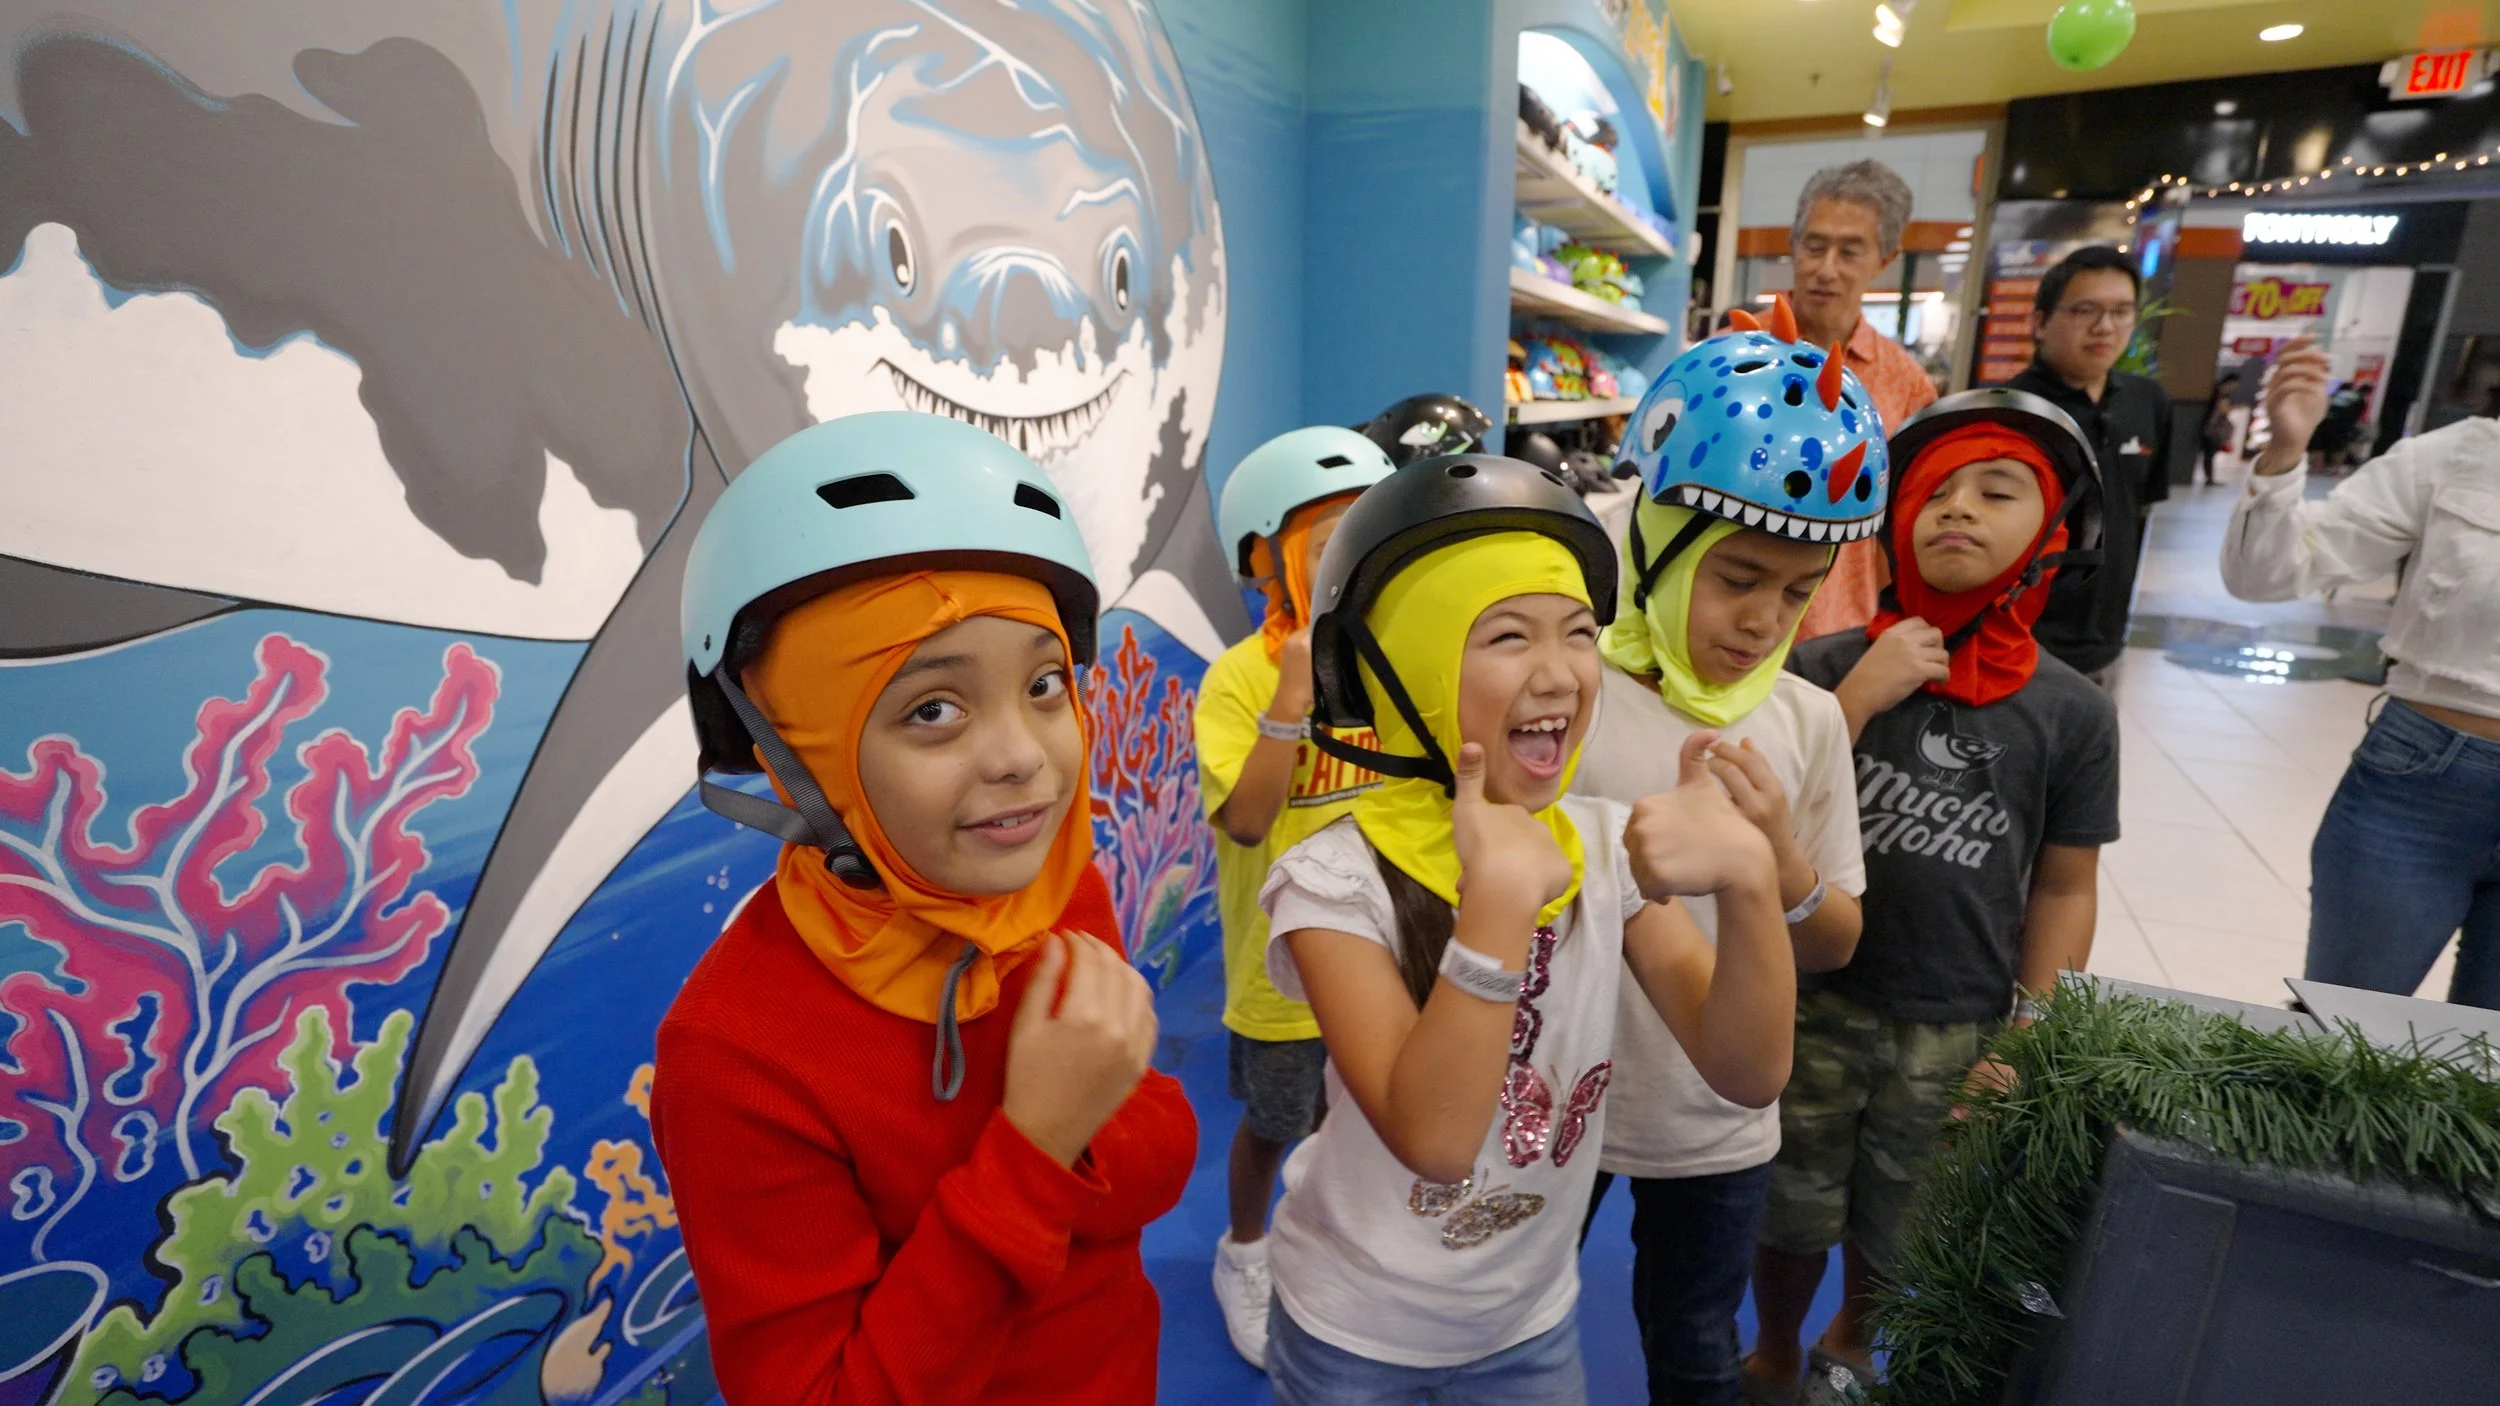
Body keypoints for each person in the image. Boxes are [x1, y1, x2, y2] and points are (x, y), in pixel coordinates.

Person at [651, 413, 1197, 1403]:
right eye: (932, 710)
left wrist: (1087, 1122)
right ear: (787, 751)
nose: (1022, 755)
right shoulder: (735, 1055)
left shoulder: (1046, 888)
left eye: (1045, 684)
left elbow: (1150, 1172)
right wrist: (1034, 1150)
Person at [1257, 454, 1798, 1403]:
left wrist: (1754, 882)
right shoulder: (1332, 881)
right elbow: (1434, 1140)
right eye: (1507, 635)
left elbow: (1745, 1073)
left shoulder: (1599, 846)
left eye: (1581, 633)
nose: (1561, 673)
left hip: (1530, 1325)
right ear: (1406, 667)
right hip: (1356, 1329)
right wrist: (1498, 909)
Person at [1747, 389, 2119, 1402]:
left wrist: (2029, 1030)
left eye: (1996, 491)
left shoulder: (2071, 712)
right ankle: (1772, 1346)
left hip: (1956, 1017)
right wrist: (1860, 694)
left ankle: (1851, 1337)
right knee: (1787, 1205)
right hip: (1808, 999)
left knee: (1903, 1214)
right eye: (1934, 491)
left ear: (2050, 534)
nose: (1957, 508)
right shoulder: (1818, 671)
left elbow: (2065, 883)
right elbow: (1757, 804)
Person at [1572, 302, 1876, 1405]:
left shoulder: (1806, 720)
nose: (1763, 620)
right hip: (1555, 1100)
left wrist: (1779, 862)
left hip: (1716, 1119)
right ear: (1655, 540)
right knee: (1517, 1322)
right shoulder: (1566, 694)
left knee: (1696, 1348)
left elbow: (1836, 938)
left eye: (1796, 591)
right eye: (1736, 576)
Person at [2221, 337, 2500, 1010]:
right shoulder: (2460, 456)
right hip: (2423, 786)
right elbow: (2266, 574)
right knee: (2343, 1032)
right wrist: (2285, 452)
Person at [1199, 425, 1397, 1367]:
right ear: (1266, 561)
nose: (1349, 565)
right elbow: (1246, 821)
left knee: (1353, 1113)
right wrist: (1290, 698)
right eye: (1327, 545)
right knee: (1276, 1119)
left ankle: (1329, 1236)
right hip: (1282, 963)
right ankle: (1244, 1249)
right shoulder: (1237, 679)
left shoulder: (1393, 663)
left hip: (1387, 950)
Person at [1783, 159, 1942, 643]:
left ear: (1886, 259)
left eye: (1849, 252)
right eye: (1814, 246)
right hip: (1720, 624)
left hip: (1838, 631)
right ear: (1794, 245)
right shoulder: (1734, 353)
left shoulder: (1907, 385)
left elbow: (1907, 527)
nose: (1825, 269)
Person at [2004, 245, 2172, 689]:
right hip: (2018, 644)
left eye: (2121, 311)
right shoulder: (2010, 409)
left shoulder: (2147, 401)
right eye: (2085, 311)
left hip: (2106, 644)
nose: (2105, 327)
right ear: (2040, 322)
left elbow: (2140, 508)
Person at [2200, 369, 2242, 486]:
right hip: (2213, 428)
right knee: (2210, 453)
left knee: (2209, 454)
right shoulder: (2222, 393)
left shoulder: (2216, 391)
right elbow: (2223, 409)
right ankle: (2209, 478)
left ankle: (2209, 477)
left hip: (2210, 426)